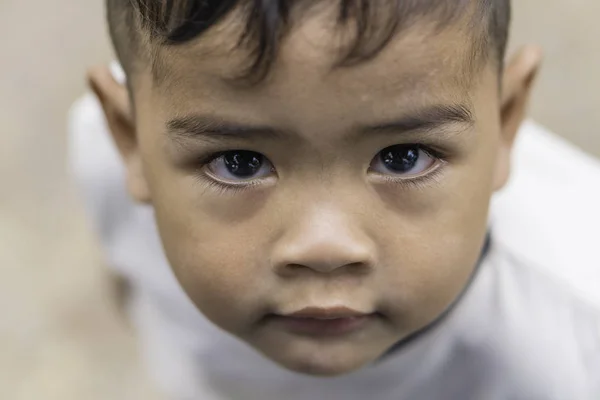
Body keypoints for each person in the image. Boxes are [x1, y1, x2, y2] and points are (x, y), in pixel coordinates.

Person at [70, 0, 600, 398]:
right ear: (131, 138)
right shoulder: (104, 163)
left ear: (506, 123)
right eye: (240, 163)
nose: (324, 246)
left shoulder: (571, 351)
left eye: (403, 157)